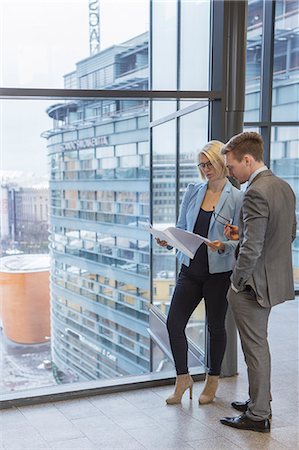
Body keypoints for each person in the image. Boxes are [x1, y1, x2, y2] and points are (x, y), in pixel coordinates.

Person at [219, 131, 296, 433]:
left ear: (247, 160)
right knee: (258, 346)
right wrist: (244, 236)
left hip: (252, 286)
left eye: (231, 166)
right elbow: (287, 232)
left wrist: (237, 281)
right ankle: (258, 400)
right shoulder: (283, 186)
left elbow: (252, 249)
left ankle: (258, 413)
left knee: (255, 348)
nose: (231, 172)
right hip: (273, 280)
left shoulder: (254, 192)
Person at [157, 140, 244, 405]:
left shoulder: (237, 197)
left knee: (215, 327)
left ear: (222, 163)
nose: (206, 170)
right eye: (202, 165)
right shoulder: (193, 190)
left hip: (218, 273)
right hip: (190, 268)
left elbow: (241, 238)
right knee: (173, 323)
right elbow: (183, 226)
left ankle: (213, 379)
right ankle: (182, 378)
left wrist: (224, 245)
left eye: (210, 164)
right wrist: (168, 238)